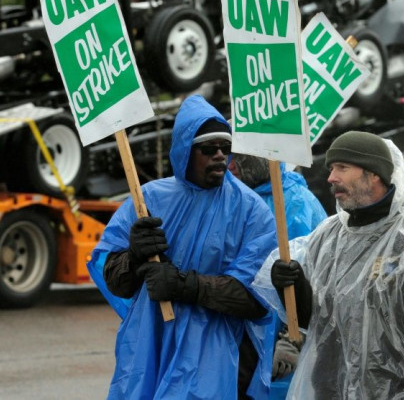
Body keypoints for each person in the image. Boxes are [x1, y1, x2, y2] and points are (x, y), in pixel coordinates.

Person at [87, 95, 278, 400]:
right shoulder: (146, 201)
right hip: (150, 349)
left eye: (225, 148)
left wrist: (185, 286)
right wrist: (134, 256)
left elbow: (257, 299)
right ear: (185, 150)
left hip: (218, 357)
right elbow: (116, 282)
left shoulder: (251, 211)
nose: (220, 156)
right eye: (208, 148)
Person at [252, 131, 404, 399]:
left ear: (373, 174)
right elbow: (312, 321)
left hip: (390, 392)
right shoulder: (328, 236)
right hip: (328, 392)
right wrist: (290, 283)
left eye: (342, 167)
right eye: (331, 168)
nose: (331, 178)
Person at [228, 153, 328, 397]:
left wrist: (292, 339)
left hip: (278, 344)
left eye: (239, 158)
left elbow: (317, 279)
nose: (230, 165)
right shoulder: (232, 197)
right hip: (239, 336)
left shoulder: (296, 203)